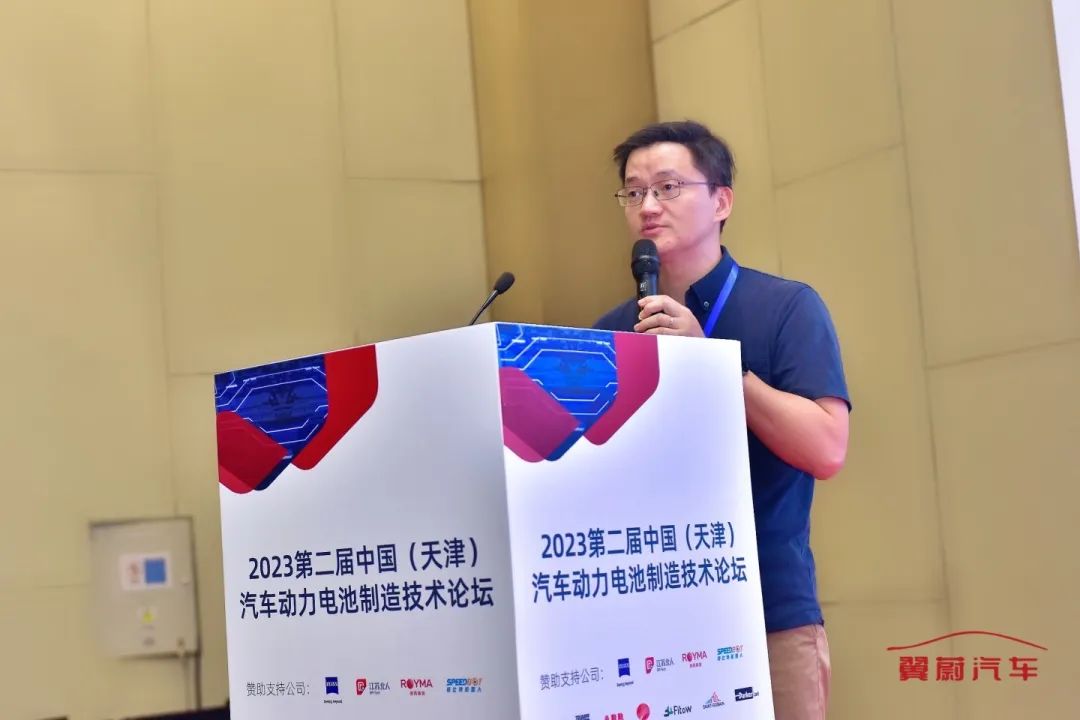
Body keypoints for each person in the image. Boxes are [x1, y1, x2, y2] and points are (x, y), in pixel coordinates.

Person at [595, 120, 851, 720]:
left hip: (767, 614)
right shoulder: (611, 332)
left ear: (721, 201)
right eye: (634, 192)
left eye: (667, 187)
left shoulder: (785, 307)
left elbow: (827, 448)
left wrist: (713, 363)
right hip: (649, 625)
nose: (647, 206)